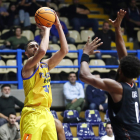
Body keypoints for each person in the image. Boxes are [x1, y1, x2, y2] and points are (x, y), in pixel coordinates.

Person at [79, 9, 140, 139]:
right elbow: (123, 56)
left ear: (121, 70)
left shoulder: (117, 87)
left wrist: (85, 54)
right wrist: (117, 28)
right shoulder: (132, 83)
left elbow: (84, 76)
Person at [20, 11, 68, 140]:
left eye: (36, 45)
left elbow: (64, 51)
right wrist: (47, 29)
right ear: (26, 53)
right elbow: (42, 51)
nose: (35, 47)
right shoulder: (27, 66)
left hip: (47, 113)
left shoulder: (45, 65)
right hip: (32, 113)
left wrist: (58, 26)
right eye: (32, 46)